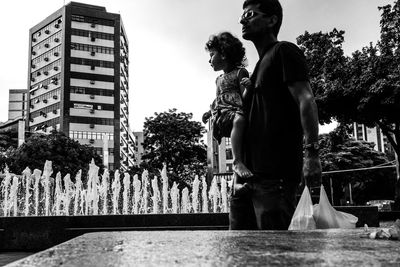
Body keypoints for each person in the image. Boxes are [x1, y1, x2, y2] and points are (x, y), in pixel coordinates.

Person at [229, 0, 322, 230]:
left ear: (272, 20)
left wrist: (311, 155)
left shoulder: (284, 51)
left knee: (277, 253)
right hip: (247, 180)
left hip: (275, 179)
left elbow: (306, 99)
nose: (242, 19)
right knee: (240, 255)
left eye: (250, 14)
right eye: (242, 15)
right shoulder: (256, 69)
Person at [202, 32, 253, 195]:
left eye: (212, 55)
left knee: (243, 143)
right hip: (223, 115)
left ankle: (237, 179)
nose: (209, 60)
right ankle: (238, 164)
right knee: (239, 124)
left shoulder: (240, 73)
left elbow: (244, 99)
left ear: (223, 54)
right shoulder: (218, 80)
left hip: (237, 113)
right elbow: (217, 100)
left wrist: (249, 88)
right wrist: (209, 113)